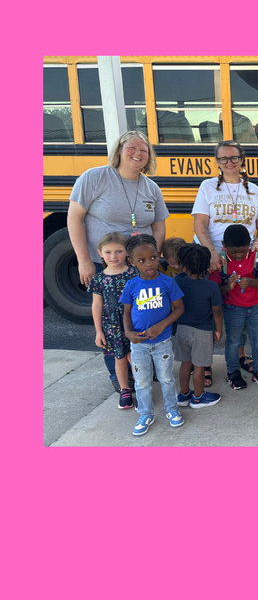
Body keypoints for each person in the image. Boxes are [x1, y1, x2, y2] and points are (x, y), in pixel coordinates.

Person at [69, 130, 168, 392]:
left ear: (149, 157)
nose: (138, 153)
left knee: (142, 316)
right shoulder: (95, 177)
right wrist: (84, 260)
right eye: (132, 148)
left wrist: (151, 260)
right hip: (108, 266)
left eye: (144, 150)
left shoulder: (151, 187)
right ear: (119, 150)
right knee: (113, 320)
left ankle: (144, 366)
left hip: (139, 269)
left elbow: (159, 227)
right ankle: (119, 376)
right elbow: (74, 218)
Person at [120, 235, 185, 437]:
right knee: (142, 381)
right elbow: (127, 312)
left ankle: (172, 409)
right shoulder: (131, 286)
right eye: (142, 260)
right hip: (139, 344)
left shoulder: (167, 282)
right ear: (131, 262)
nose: (150, 263)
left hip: (162, 341)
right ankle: (146, 414)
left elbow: (179, 308)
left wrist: (161, 325)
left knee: (166, 378)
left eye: (153, 257)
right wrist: (128, 333)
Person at [192, 140, 258, 272]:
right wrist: (212, 253)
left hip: (242, 256)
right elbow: (200, 223)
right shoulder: (207, 186)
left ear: (241, 160)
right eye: (224, 159)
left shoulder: (253, 189)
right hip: (211, 256)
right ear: (217, 162)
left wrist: (257, 243)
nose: (229, 163)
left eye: (234, 158)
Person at [211, 224, 258, 391]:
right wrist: (227, 288)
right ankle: (233, 372)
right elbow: (215, 290)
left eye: (242, 251)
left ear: (250, 244)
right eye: (234, 252)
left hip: (256, 306)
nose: (238, 255)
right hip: (232, 308)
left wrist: (251, 281)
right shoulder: (220, 262)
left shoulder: (256, 258)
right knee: (233, 341)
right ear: (224, 244)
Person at [90, 232, 136, 410]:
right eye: (108, 252)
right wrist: (99, 331)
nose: (113, 256)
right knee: (120, 357)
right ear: (100, 253)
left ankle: (141, 387)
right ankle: (125, 389)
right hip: (112, 325)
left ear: (126, 252)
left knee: (136, 356)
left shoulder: (134, 274)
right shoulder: (98, 279)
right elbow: (96, 305)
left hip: (133, 321)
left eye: (118, 251)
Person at [173, 244, 223, 409]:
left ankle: (184, 394)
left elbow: (181, 274)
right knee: (199, 366)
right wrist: (218, 329)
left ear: (183, 266)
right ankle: (198, 397)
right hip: (202, 332)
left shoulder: (178, 281)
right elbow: (217, 311)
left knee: (186, 364)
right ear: (207, 266)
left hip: (181, 329)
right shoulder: (211, 287)